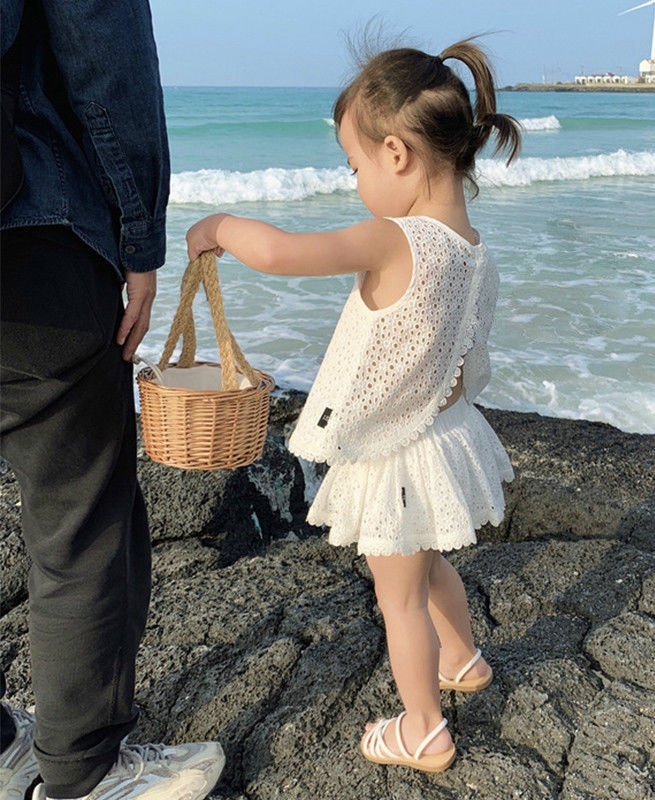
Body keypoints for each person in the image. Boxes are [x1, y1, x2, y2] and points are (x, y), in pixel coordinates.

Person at [186, 39, 520, 772]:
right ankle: (462, 660)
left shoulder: (394, 237)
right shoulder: (471, 248)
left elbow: (279, 253)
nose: (355, 180)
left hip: (395, 456)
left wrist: (216, 229)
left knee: (397, 598)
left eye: (354, 164)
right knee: (430, 571)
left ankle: (423, 729)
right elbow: (463, 362)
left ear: (397, 155)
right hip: (442, 436)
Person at [0, 1, 225, 798]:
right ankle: (83, 773)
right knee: (81, 519)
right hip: (28, 238)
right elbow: (106, 53)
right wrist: (139, 240)